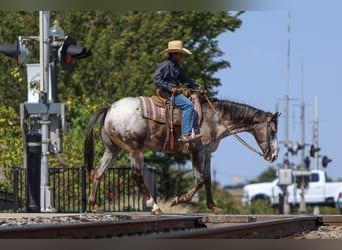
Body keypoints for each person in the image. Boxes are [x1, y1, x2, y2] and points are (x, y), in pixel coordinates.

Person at [153, 40, 202, 143]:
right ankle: (185, 135)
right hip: (168, 92)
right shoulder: (165, 65)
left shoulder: (177, 66)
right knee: (188, 105)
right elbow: (156, 80)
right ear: (174, 54)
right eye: (180, 54)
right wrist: (169, 88)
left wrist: (197, 88)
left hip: (173, 91)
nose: (181, 56)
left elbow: (185, 79)